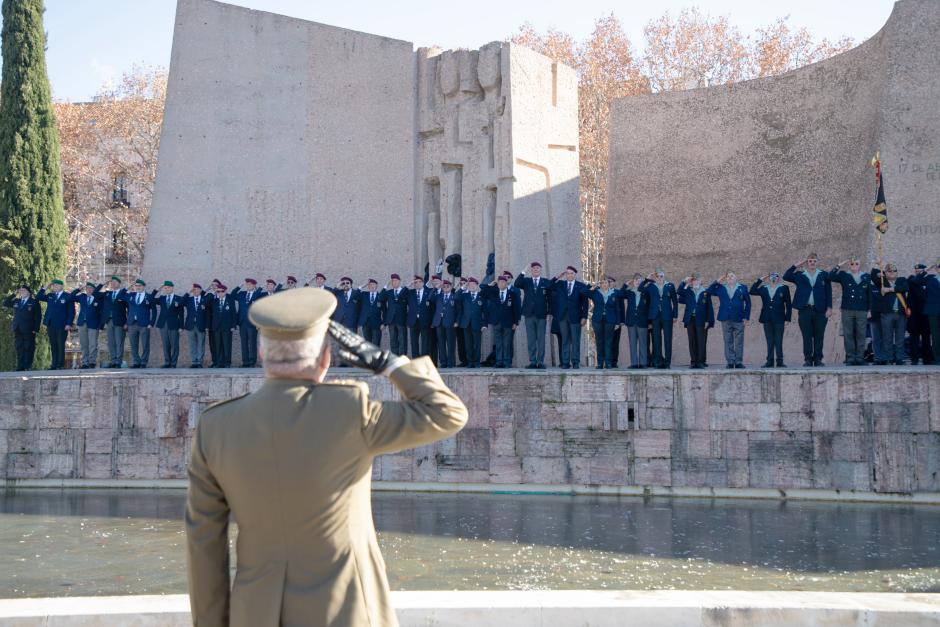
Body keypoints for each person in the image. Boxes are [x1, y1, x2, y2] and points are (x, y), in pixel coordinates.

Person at [185, 287, 467, 626]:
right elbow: (447, 414)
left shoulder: (216, 425)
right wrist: (388, 363)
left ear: (261, 353)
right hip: (347, 612)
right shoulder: (350, 410)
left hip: (255, 614)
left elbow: (203, 544)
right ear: (325, 359)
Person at [784, 254, 832, 367]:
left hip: (820, 310)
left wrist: (829, 308)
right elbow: (786, 276)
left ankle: (818, 359)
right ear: (807, 262)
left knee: (819, 335)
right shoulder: (800, 275)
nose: (812, 263)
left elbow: (828, 292)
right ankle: (808, 360)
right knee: (807, 336)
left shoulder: (824, 275)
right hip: (805, 309)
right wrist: (796, 265)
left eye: (814, 261)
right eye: (810, 261)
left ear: (817, 262)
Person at [830, 258, 871, 365]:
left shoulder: (866, 276)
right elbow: (830, 276)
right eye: (852, 263)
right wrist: (839, 265)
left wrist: (870, 309)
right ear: (849, 265)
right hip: (847, 309)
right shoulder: (844, 275)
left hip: (862, 309)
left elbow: (869, 294)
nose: (854, 265)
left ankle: (860, 358)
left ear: (859, 265)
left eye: (856, 263)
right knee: (848, 334)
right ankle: (850, 358)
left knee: (861, 334)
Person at [707, 271, 751, 369]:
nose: (730, 278)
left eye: (732, 276)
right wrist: (718, 281)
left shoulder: (742, 288)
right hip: (725, 318)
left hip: (739, 318)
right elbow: (709, 291)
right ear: (725, 279)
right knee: (728, 340)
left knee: (739, 341)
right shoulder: (721, 288)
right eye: (728, 276)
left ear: (736, 277)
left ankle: (738, 361)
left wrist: (746, 317)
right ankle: (730, 362)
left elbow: (748, 303)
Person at [549, 266, 589, 369]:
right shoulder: (561, 285)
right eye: (567, 273)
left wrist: (584, 316)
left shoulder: (581, 286)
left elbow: (585, 302)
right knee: (565, 340)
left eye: (571, 273)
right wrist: (557, 277)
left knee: (575, 340)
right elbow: (550, 285)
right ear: (565, 275)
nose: (569, 275)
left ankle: (575, 361)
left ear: (575, 275)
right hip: (562, 317)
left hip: (576, 316)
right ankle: (565, 362)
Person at [750, 272, 792, 367]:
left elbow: (788, 304)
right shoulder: (764, 288)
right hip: (767, 317)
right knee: (769, 340)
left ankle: (780, 361)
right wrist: (761, 279)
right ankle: (769, 361)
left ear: (778, 278)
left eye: (776, 276)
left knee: (778, 340)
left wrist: (788, 318)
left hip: (780, 318)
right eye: (772, 276)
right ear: (769, 278)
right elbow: (752, 291)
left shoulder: (784, 288)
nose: (774, 278)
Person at [514, 261, 551, 369]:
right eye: (533, 268)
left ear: (540, 270)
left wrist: (549, 311)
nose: (535, 270)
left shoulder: (545, 282)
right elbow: (516, 284)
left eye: (537, 268)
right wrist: (523, 271)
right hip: (529, 314)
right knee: (531, 339)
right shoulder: (526, 281)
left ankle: (540, 361)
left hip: (541, 315)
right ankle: (533, 361)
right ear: (531, 270)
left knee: (541, 339)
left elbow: (550, 297)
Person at [871, 263, 909, 365]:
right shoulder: (883, 282)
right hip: (887, 313)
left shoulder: (902, 280)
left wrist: (890, 289)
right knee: (887, 337)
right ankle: (889, 358)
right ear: (886, 273)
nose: (892, 273)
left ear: (897, 272)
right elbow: (873, 274)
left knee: (900, 337)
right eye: (889, 271)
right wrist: (880, 272)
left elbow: (905, 288)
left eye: (894, 271)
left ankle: (899, 358)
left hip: (901, 313)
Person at [642, 269, 678, 369]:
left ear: (664, 276)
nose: (660, 278)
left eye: (661, 276)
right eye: (657, 276)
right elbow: (641, 289)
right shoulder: (651, 286)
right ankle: (658, 361)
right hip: (655, 316)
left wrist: (675, 315)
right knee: (656, 339)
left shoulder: (670, 286)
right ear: (655, 277)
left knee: (667, 339)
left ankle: (667, 362)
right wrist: (647, 279)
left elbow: (675, 301)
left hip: (667, 316)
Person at [482, 274, 520, 368]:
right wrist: (489, 285)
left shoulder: (513, 294)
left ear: (506, 284)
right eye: (499, 282)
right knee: (498, 343)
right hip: (496, 322)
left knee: (507, 343)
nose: (501, 284)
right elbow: (482, 294)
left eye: (503, 282)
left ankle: (507, 361)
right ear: (497, 283)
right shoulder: (493, 292)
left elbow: (517, 309)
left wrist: (516, 322)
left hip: (508, 322)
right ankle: (499, 361)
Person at [36, 279, 75, 370]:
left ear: (62, 286)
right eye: (53, 285)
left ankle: (60, 365)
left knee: (60, 344)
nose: (54, 287)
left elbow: (71, 311)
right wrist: (45, 287)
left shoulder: (67, 296)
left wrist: (69, 323)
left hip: (62, 324)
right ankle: (54, 364)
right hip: (51, 324)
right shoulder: (51, 296)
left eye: (57, 285)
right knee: (53, 345)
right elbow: (38, 297)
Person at [2, 285, 42, 371]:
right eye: (20, 291)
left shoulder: (34, 302)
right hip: (18, 328)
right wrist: (14, 294)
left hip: (29, 329)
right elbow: (5, 302)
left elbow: (38, 317)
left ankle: (27, 366)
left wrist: (36, 329)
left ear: (28, 292)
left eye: (24, 290)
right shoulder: (17, 301)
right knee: (19, 348)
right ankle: (20, 366)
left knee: (29, 347)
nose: (22, 292)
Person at [678, 274, 713, 369]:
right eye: (694, 280)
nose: (696, 282)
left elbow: (709, 308)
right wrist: (685, 281)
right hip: (690, 319)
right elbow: (679, 291)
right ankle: (693, 362)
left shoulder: (705, 292)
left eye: (697, 280)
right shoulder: (688, 290)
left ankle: (700, 361)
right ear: (691, 282)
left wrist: (708, 321)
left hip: (702, 319)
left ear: (701, 281)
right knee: (692, 341)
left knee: (701, 341)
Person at [587, 276, 623, 369]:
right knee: (599, 341)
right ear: (600, 284)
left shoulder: (614, 293)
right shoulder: (596, 293)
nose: (604, 284)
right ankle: (599, 363)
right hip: (597, 320)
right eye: (602, 283)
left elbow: (617, 309)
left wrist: (617, 323)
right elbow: (584, 292)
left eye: (606, 283)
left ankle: (608, 363)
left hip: (610, 320)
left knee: (608, 342)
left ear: (609, 284)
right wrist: (594, 286)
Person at [121, 279, 157, 369]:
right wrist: (130, 285)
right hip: (132, 323)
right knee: (133, 344)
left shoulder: (149, 297)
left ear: (144, 287)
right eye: (136, 286)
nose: (138, 287)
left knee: (145, 344)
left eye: (139, 286)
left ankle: (144, 362)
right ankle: (136, 362)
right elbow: (120, 295)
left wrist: (151, 323)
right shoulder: (131, 295)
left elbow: (154, 311)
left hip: (144, 324)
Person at [71, 281, 104, 369]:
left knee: (93, 344)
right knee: (84, 344)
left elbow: (101, 313)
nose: (89, 290)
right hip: (82, 323)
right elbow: (71, 296)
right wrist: (79, 289)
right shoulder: (82, 296)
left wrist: (101, 325)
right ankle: (85, 362)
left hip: (93, 324)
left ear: (94, 289)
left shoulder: (98, 298)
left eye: (91, 288)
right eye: (87, 288)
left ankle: (92, 361)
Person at [154, 281, 185, 368]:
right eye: (165, 288)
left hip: (174, 324)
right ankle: (167, 362)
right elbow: (151, 299)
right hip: (163, 324)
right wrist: (157, 289)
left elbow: (181, 313)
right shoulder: (162, 298)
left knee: (174, 344)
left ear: (172, 288)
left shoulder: (178, 298)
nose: (166, 289)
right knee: (165, 344)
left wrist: (181, 326)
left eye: (168, 287)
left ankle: (173, 363)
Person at [233, 278, 264, 367]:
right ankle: (245, 361)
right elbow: (233, 295)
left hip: (252, 323)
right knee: (244, 343)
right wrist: (239, 286)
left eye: (250, 284)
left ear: (254, 285)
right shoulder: (242, 294)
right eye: (247, 284)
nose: (248, 286)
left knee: (252, 343)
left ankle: (252, 361)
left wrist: (260, 288)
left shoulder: (258, 294)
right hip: (242, 322)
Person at [907, 263, 933, 364]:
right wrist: (924, 271)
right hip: (914, 313)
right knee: (914, 337)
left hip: (926, 312)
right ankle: (914, 358)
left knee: (926, 336)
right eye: (916, 271)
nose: (917, 273)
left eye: (920, 271)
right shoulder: (911, 279)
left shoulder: (930, 279)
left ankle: (927, 358)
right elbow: (915, 281)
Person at [621, 274, 649, 369]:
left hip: (642, 321)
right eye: (636, 280)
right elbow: (620, 294)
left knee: (643, 343)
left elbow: (649, 308)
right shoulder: (629, 292)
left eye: (640, 280)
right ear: (633, 281)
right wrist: (625, 284)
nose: (638, 281)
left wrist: (649, 322)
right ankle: (634, 363)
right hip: (631, 321)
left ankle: (643, 363)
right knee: (632, 343)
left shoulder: (645, 292)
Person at [457, 277, 486, 368]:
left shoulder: (481, 297)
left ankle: (477, 362)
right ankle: (470, 362)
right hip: (466, 324)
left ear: (477, 286)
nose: (471, 286)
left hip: (477, 324)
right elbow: (456, 297)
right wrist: (464, 286)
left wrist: (484, 324)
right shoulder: (465, 296)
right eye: (470, 285)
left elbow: (485, 312)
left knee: (477, 344)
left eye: (473, 284)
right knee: (468, 344)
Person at [431, 279, 460, 368]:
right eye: (444, 286)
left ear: (451, 287)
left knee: (451, 344)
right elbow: (430, 298)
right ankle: (443, 362)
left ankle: (451, 362)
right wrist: (436, 288)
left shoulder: (454, 297)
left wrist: (457, 321)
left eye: (447, 286)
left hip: (450, 323)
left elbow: (458, 311)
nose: (446, 288)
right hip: (439, 323)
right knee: (441, 343)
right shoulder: (439, 296)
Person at [181, 284, 210, 368]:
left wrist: (207, 326)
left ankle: (199, 362)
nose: (195, 291)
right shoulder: (189, 300)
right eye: (194, 290)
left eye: (197, 289)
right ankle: (194, 361)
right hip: (190, 325)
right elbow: (181, 302)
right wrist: (188, 292)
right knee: (192, 344)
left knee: (201, 344)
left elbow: (207, 314)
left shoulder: (205, 299)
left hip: (201, 325)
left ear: (201, 290)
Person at [101, 276, 128, 368]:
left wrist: (127, 322)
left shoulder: (123, 293)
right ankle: (113, 360)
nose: (113, 284)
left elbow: (130, 308)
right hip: (109, 321)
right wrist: (103, 284)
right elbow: (96, 293)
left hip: (120, 321)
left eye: (115, 282)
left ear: (119, 283)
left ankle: (118, 361)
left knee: (119, 342)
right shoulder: (107, 294)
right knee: (111, 342)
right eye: (112, 282)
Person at [380, 273, 409, 355]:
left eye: (396, 280)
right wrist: (386, 286)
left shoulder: (405, 291)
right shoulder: (389, 292)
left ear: (399, 281)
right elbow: (380, 298)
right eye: (392, 281)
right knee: (393, 340)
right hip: (391, 320)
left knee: (402, 340)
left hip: (401, 319)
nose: (394, 282)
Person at [209, 283, 236, 368]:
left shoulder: (230, 301)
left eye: (222, 291)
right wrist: (213, 292)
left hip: (227, 327)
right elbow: (205, 302)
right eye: (219, 292)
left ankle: (227, 362)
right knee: (218, 345)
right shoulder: (214, 301)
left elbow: (233, 314)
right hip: (216, 327)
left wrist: (233, 326)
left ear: (225, 292)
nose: (220, 293)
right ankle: (219, 362)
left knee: (227, 345)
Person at [406, 275, 433, 358]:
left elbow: (432, 308)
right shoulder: (410, 293)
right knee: (414, 342)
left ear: (423, 283)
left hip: (425, 321)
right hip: (413, 321)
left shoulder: (428, 292)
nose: (417, 284)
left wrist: (431, 321)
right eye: (415, 282)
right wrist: (408, 285)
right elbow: (401, 295)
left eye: (419, 282)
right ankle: (415, 360)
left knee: (425, 342)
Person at [358, 279, 385, 347]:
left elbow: (385, 311)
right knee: (367, 344)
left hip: (377, 324)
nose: (372, 286)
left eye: (373, 284)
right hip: (365, 323)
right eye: (370, 285)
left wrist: (384, 323)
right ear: (368, 286)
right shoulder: (364, 294)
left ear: (377, 286)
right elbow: (355, 294)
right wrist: (364, 285)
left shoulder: (380, 296)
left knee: (376, 344)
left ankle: (376, 358)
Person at [924, 263, 940, 364]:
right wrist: (927, 269)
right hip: (933, 311)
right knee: (935, 335)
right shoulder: (930, 278)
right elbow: (916, 280)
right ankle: (937, 358)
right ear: (936, 269)